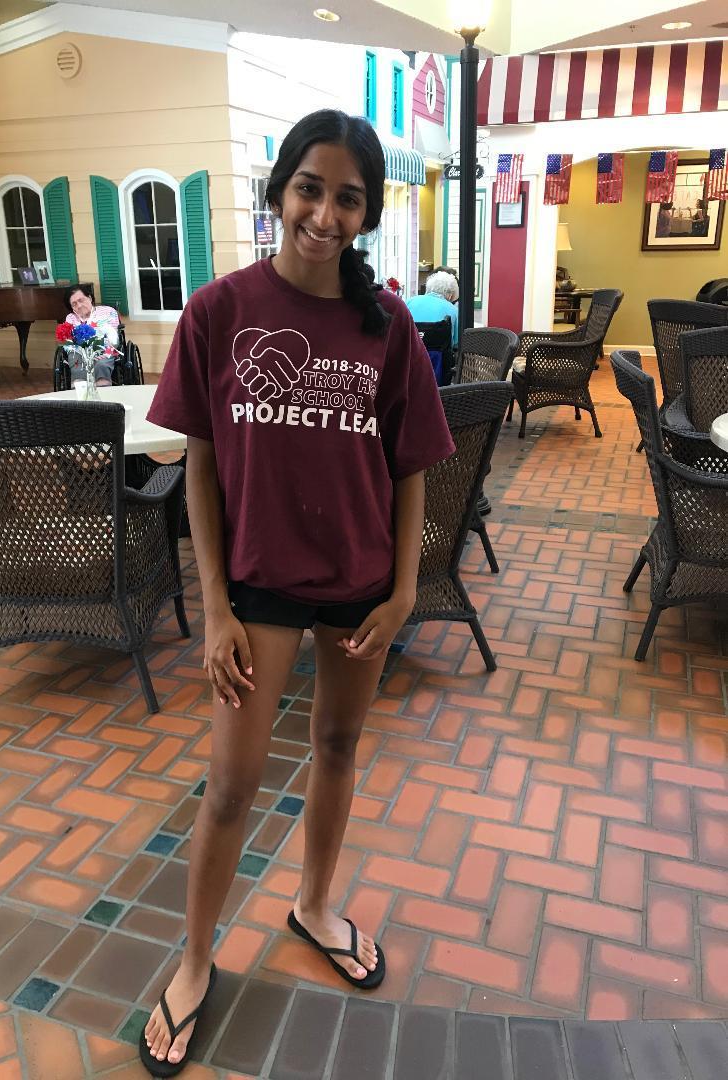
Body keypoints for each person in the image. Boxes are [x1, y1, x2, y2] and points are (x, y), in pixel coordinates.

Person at [142, 109, 455, 1076]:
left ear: (367, 213)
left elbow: (411, 468)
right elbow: (199, 470)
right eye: (310, 189)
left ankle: (314, 905)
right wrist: (216, 608)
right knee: (233, 784)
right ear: (279, 191)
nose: (325, 214)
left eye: (347, 198)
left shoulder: (385, 323)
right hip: (259, 581)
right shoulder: (218, 311)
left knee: (337, 746)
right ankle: (195, 959)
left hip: (361, 581)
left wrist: (404, 593)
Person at [62, 284, 120, 386]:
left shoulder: (108, 311)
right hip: (79, 352)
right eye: (74, 304)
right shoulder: (71, 318)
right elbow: (69, 342)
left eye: (81, 300)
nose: (79, 306)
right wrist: (84, 354)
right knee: (76, 364)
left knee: (101, 365)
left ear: (89, 298)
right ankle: (80, 389)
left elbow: (114, 337)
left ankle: (103, 388)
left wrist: (104, 353)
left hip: (104, 349)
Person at [406, 270, 460, 347]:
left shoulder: (409, 302)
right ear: (450, 294)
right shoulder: (453, 310)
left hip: (409, 350)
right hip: (438, 353)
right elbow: (456, 342)